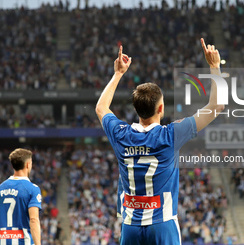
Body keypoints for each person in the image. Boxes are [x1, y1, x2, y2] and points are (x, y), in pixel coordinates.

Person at [95, 38, 224, 245]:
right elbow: (216, 106)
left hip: (130, 227)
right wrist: (214, 67)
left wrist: (118, 73)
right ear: (161, 109)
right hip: (162, 224)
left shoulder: (121, 134)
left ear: (136, 110)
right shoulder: (170, 135)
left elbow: (101, 108)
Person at [0, 148, 42, 245]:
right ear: (27, 164)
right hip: (23, 242)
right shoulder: (32, 189)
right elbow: (34, 220)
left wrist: (6, 234)